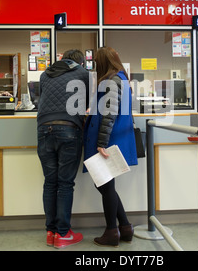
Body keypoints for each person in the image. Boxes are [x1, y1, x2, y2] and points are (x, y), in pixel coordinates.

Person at [83, 46, 138, 247]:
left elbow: (110, 113)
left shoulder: (112, 81)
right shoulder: (122, 78)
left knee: (105, 186)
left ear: (103, 63)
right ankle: (124, 227)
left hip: (108, 141)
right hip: (115, 138)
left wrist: (101, 143)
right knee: (106, 185)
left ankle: (112, 231)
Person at [37, 49, 89, 249]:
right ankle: (63, 233)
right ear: (80, 62)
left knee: (50, 182)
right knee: (65, 183)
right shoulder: (83, 74)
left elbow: (42, 100)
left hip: (43, 129)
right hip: (68, 128)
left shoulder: (44, 74)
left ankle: (50, 232)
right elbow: (86, 104)